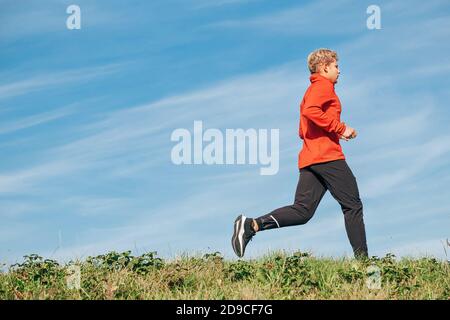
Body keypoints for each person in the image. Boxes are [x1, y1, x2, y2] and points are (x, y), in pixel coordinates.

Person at [231, 48, 368, 260]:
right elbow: (311, 112)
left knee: (303, 211)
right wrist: (340, 128)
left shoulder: (311, 90)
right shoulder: (324, 86)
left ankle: (251, 225)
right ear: (324, 68)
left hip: (311, 157)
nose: (339, 71)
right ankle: (364, 264)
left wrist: (332, 132)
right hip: (327, 157)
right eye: (336, 67)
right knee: (352, 206)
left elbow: (302, 129)